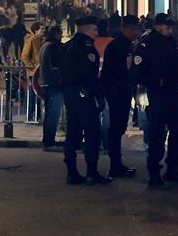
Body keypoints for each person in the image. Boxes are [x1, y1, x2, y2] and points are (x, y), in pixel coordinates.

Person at [131, 13, 178, 188]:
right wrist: (154, 82)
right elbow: (137, 71)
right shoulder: (147, 44)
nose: (170, 30)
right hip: (156, 94)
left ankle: (173, 169)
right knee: (157, 134)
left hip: (171, 92)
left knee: (177, 132)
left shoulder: (171, 42)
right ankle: (154, 173)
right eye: (167, 27)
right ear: (158, 26)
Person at [60, 16, 110, 185]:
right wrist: (98, 95)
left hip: (70, 94)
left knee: (72, 134)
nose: (97, 33)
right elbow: (90, 75)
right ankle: (92, 172)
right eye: (95, 30)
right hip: (84, 95)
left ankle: (72, 172)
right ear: (87, 29)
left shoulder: (68, 45)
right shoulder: (86, 47)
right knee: (92, 133)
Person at [101, 15, 139, 178]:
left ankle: (117, 164)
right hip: (117, 91)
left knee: (119, 128)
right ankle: (115, 165)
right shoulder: (119, 46)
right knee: (116, 128)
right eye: (133, 29)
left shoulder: (124, 44)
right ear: (125, 28)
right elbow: (122, 70)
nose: (136, 32)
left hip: (121, 89)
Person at [39, 25, 64, 150]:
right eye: (60, 34)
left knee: (50, 113)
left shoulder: (45, 45)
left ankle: (48, 140)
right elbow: (55, 68)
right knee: (53, 114)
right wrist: (60, 81)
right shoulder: (53, 47)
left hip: (46, 83)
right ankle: (49, 142)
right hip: (53, 84)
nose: (61, 36)